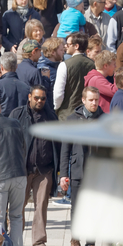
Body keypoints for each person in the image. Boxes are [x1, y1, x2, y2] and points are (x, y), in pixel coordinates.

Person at [10, 86, 58, 246]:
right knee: (18, 207)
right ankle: (15, 239)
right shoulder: (17, 114)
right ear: (30, 97)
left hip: (44, 170)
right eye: (36, 97)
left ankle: (39, 242)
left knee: (41, 206)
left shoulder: (51, 116)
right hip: (21, 169)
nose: (39, 101)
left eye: (43, 98)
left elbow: (57, 144)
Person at [58, 85, 102, 226]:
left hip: (97, 173)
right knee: (76, 208)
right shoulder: (72, 120)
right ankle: (75, 238)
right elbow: (65, 149)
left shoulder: (104, 119)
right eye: (91, 100)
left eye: (96, 100)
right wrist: (63, 174)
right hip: (78, 171)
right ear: (83, 100)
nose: (94, 103)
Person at [0, 111, 27, 246]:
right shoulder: (15, 123)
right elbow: (23, 148)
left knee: (0, 219)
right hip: (20, 174)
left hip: (2, 177)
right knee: (16, 217)